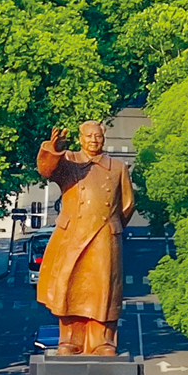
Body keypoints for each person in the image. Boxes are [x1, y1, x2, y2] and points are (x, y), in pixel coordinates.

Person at [36, 121, 134, 356]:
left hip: (104, 237)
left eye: (97, 136)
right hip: (73, 235)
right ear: (80, 139)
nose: (93, 140)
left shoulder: (117, 167)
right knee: (69, 287)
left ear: (104, 138)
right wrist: (54, 148)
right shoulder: (70, 162)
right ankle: (70, 340)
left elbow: (127, 204)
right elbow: (47, 170)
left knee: (103, 289)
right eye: (89, 136)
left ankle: (102, 341)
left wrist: (111, 227)